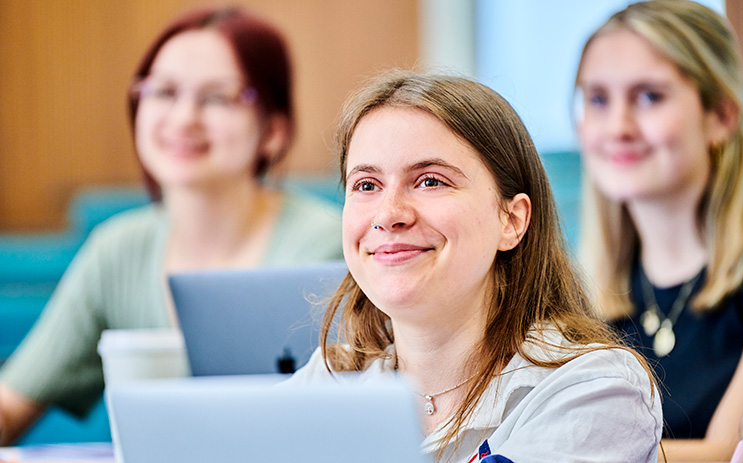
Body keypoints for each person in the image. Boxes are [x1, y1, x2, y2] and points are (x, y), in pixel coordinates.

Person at [0, 7, 343, 445]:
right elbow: (12, 404)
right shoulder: (118, 251)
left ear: (273, 130)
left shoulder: (330, 247)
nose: (183, 118)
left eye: (217, 97)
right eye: (162, 92)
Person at [285, 70, 662, 463]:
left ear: (512, 220)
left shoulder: (595, 389)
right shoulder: (330, 380)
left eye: (430, 181)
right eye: (366, 185)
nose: (389, 213)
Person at [574, 0, 743, 460]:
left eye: (649, 97)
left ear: (721, 117)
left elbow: (727, 453)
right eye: (597, 99)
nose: (618, 127)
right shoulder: (579, 296)